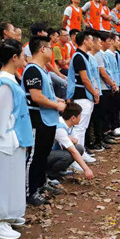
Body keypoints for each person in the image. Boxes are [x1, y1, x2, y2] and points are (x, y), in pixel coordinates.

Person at [0, 39, 33, 239]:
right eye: (22, 55)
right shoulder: (5, 83)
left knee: (13, 178)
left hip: (14, 137)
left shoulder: (11, 80)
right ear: (14, 58)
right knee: (3, 181)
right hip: (6, 138)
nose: (24, 58)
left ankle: (11, 213)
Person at [21, 36, 66, 206]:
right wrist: (56, 105)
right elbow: (36, 97)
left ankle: (40, 184)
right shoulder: (32, 70)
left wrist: (56, 99)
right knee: (34, 156)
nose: (51, 51)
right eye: (49, 47)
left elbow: (45, 93)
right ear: (42, 49)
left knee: (43, 154)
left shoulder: (43, 70)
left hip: (48, 119)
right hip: (37, 119)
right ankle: (29, 191)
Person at [66, 31, 99, 163]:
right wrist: (95, 92)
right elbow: (85, 79)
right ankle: (75, 159)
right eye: (91, 40)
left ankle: (82, 152)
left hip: (87, 96)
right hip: (81, 96)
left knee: (83, 126)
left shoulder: (85, 56)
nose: (93, 42)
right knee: (79, 127)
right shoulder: (79, 57)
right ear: (85, 41)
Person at [48, 101, 94, 180]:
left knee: (79, 148)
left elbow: (76, 141)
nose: (81, 118)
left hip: (56, 151)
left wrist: (71, 140)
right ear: (73, 118)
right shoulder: (60, 128)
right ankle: (51, 175)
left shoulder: (69, 125)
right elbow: (73, 150)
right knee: (67, 155)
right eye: (80, 116)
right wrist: (86, 169)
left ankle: (60, 170)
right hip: (47, 154)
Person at [45, 28, 68, 98]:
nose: (58, 38)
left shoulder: (52, 48)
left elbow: (53, 63)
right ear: (51, 37)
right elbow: (48, 64)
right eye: (57, 36)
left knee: (66, 79)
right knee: (65, 83)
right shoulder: (48, 47)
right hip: (48, 72)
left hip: (53, 72)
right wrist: (59, 74)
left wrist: (59, 74)